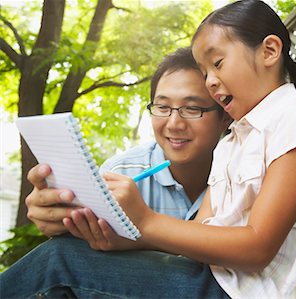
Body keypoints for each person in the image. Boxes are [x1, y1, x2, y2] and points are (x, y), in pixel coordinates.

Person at [2, 1, 296, 298]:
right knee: (67, 250)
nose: (210, 80)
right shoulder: (235, 141)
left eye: (217, 63)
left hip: (237, 292)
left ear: (269, 51)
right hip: (211, 280)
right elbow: (204, 236)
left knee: (58, 264)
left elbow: (256, 248)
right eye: (205, 71)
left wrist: (145, 221)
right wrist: (121, 240)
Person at [0, 47, 231, 298]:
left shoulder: (243, 177)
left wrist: (144, 232)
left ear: (225, 118)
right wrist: (60, 219)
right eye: (162, 107)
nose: (174, 123)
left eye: (192, 108)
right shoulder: (121, 175)